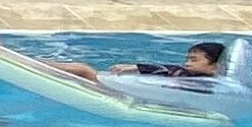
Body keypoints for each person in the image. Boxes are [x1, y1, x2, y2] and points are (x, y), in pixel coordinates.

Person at [46, 41, 228, 89]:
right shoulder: (187, 76)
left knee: (82, 70)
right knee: (82, 70)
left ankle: (38, 64)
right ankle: (41, 64)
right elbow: (168, 69)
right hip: (135, 93)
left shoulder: (205, 84)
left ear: (214, 67)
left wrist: (135, 67)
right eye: (187, 59)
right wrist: (136, 68)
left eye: (194, 60)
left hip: (129, 96)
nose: (187, 63)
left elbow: (168, 70)